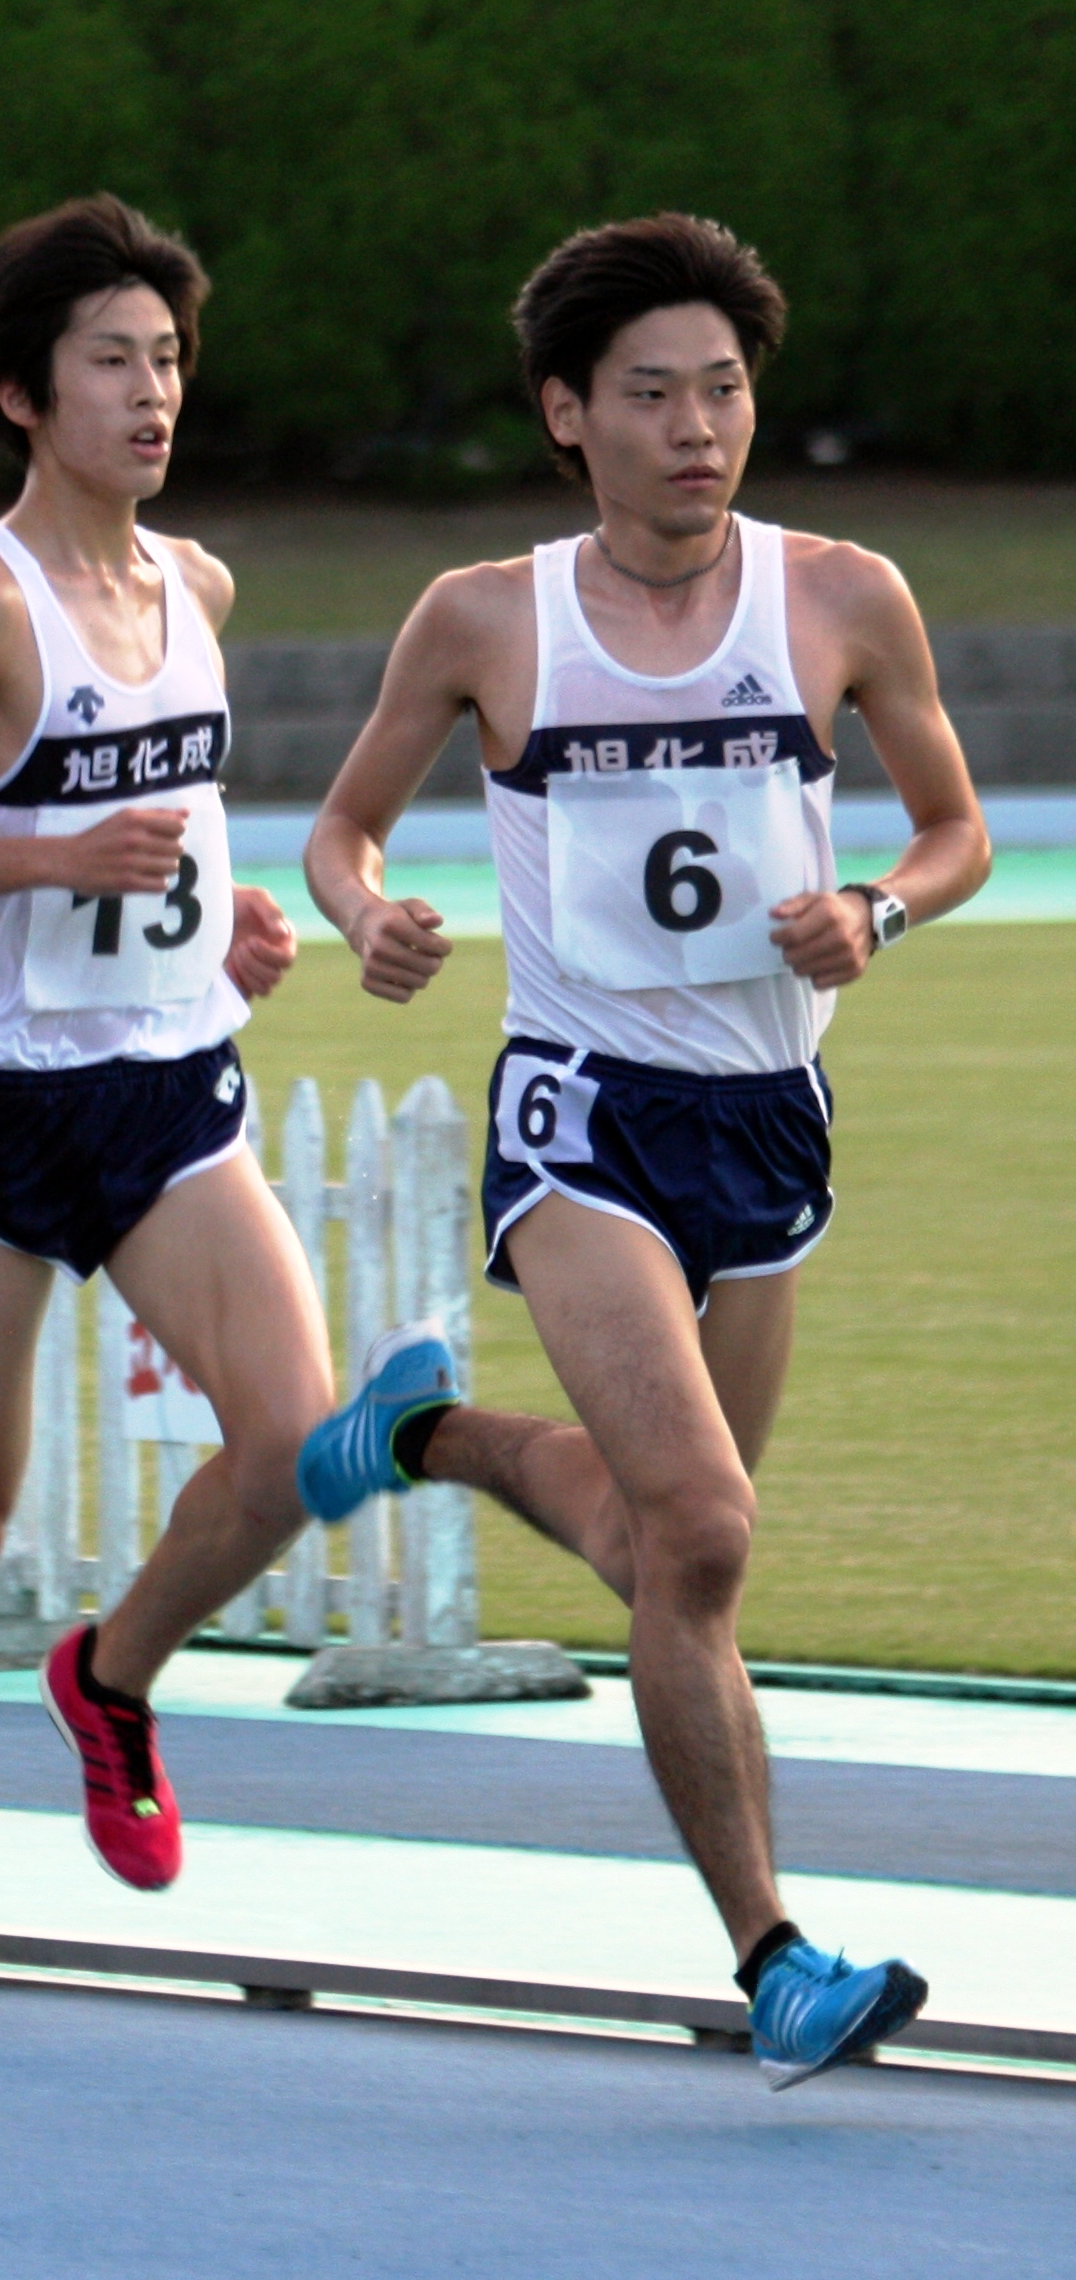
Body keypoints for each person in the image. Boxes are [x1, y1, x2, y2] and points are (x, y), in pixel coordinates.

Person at [296, 214, 984, 2088]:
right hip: (577, 1113)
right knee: (698, 1523)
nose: (699, 427)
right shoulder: (483, 616)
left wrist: (877, 909)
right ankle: (772, 1955)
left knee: (661, 1551)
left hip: (766, 1116)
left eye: (726, 390)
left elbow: (952, 830)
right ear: (565, 414)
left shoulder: (843, 593)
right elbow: (342, 831)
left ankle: (418, 1431)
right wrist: (365, 916)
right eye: (655, 395)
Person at [0, 195, 312, 2018]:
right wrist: (53, 847)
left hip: (169, 1090)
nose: (151, 391)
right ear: (25, 393)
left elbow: (165, 816)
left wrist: (219, 912)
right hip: (5, 1117)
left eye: (166, 356)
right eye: (111, 360)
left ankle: (110, 1675)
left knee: (289, 1446)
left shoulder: (197, 588)